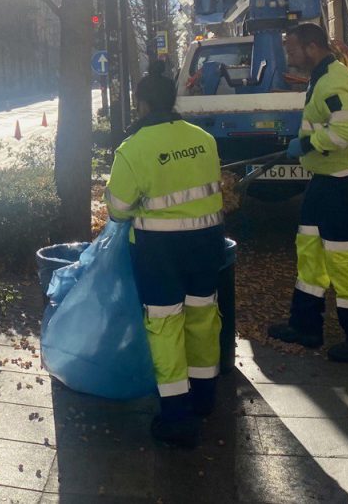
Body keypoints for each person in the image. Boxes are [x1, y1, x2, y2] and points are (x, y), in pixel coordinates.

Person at [104, 62, 226, 449]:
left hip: (160, 249)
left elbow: (118, 208)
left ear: (141, 104)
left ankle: (176, 413)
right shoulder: (203, 138)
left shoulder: (133, 148)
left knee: (164, 322)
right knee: (203, 312)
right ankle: (205, 396)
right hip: (208, 241)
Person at [267, 23, 348, 363]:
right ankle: (305, 326)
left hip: (344, 183)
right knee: (310, 250)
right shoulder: (322, 77)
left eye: (292, 49)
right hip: (326, 180)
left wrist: (307, 143)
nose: (288, 54)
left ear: (313, 47)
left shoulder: (333, 80)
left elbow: (344, 130)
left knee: (344, 259)